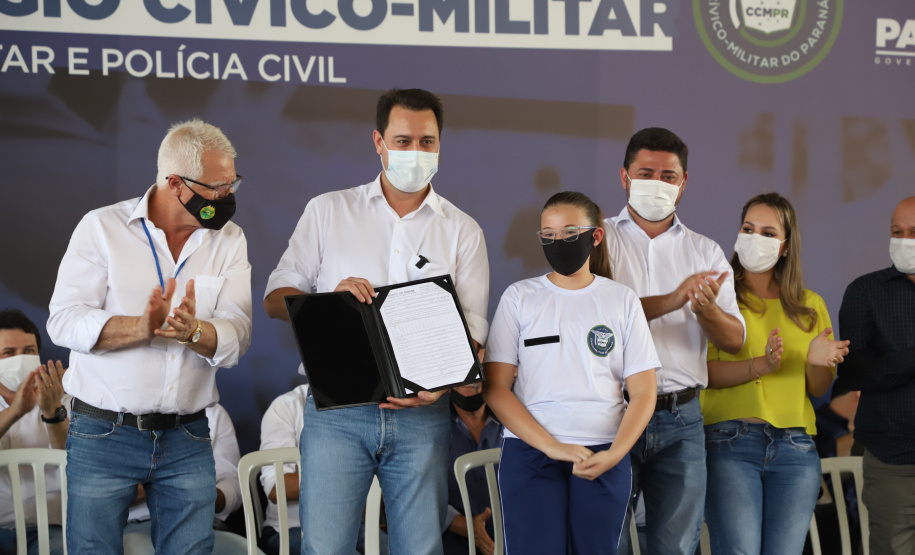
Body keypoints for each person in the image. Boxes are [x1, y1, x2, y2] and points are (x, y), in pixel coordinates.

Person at [263, 88, 489, 555]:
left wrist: (442, 387)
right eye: (403, 141)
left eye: (427, 142)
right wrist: (330, 300)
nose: (416, 152)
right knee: (325, 548)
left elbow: (472, 337)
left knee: (420, 549)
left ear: (440, 144)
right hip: (338, 413)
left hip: (423, 416)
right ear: (379, 142)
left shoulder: (463, 230)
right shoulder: (328, 211)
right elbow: (274, 300)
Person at [47, 119, 253, 554]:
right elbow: (63, 320)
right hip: (103, 432)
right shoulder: (102, 228)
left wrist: (194, 332)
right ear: (176, 184)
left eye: (232, 182)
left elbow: (238, 333)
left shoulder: (230, 239)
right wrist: (139, 327)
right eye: (218, 187)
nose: (227, 195)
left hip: (188, 436)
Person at [484, 191, 658, 554]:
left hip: (602, 452)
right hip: (531, 452)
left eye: (568, 232)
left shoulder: (622, 299)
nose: (558, 241)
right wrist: (551, 446)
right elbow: (496, 388)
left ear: (595, 236)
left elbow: (644, 392)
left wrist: (615, 454)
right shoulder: (519, 297)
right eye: (548, 235)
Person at [603, 127, 746, 554]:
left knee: (678, 546)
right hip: (611, 411)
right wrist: (674, 299)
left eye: (668, 176)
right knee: (605, 541)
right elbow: (597, 319)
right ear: (624, 177)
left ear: (684, 183)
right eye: (646, 173)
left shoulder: (706, 251)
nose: (658, 184)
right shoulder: (598, 241)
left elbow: (735, 340)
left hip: (681, 418)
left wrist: (707, 310)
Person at [701, 193, 850, 554]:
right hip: (730, 441)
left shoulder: (810, 305)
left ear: (785, 246)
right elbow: (704, 373)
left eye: (768, 233)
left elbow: (818, 388)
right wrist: (763, 365)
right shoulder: (718, 296)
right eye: (748, 228)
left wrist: (816, 362)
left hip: (796, 446)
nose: (755, 238)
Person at [836, 196, 915, 555]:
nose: (904, 241)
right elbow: (857, 373)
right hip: (892, 460)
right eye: (897, 232)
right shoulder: (865, 292)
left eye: (913, 232)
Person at [122, 403, 255, 555]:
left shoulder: (211, 410)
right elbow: (108, 493)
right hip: (138, 525)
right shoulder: (115, 411)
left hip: (204, 521)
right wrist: (167, 486)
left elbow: (232, 484)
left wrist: (205, 495)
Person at [0, 309, 68, 555]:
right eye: (9, 353)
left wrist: (52, 412)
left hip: (51, 527)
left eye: (28, 351)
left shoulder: (66, 401)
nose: (20, 359)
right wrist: (15, 412)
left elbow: (78, 459)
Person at [443, 379, 503, 555]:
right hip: (451, 538)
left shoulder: (511, 423)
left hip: (509, 533)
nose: (469, 378)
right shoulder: (432, 429)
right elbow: (420, 491)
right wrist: (463, 525)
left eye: (478, 368)